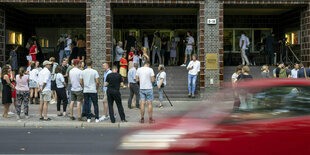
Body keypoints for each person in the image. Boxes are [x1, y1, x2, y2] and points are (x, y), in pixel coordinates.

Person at [80, 59, 100, 123]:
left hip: (86, 90)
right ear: (92, 64)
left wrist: (83, 87)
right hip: (93, 89)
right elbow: (97, 82)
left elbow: (80, 82)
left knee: (86, 104)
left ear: (85, 64)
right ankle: (97, 118)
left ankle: (88, 118)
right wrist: (96, 88)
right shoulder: (94, 71)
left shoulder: (82, 72)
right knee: (95, 104)